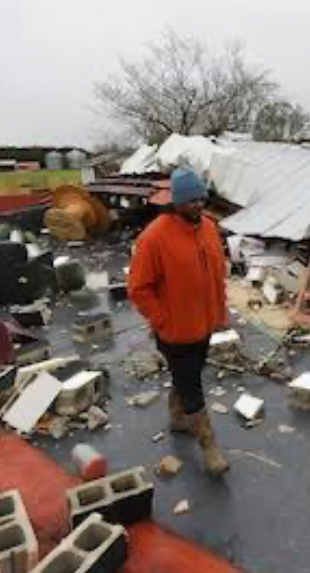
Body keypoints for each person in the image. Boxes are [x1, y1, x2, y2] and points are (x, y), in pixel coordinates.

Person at [127, 168, 230, 477]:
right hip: (174, 332)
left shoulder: (210, 229)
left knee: (189, 375)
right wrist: (163, 320)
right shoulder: (154, 238)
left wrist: (220, 312)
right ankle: (209, 446)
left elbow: (217, 275)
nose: (198, 204)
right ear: (176, 202)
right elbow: (138, 288)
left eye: (202, 198)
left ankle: (176, 417)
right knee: (193, 386)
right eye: (191, 200)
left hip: (204, 324)